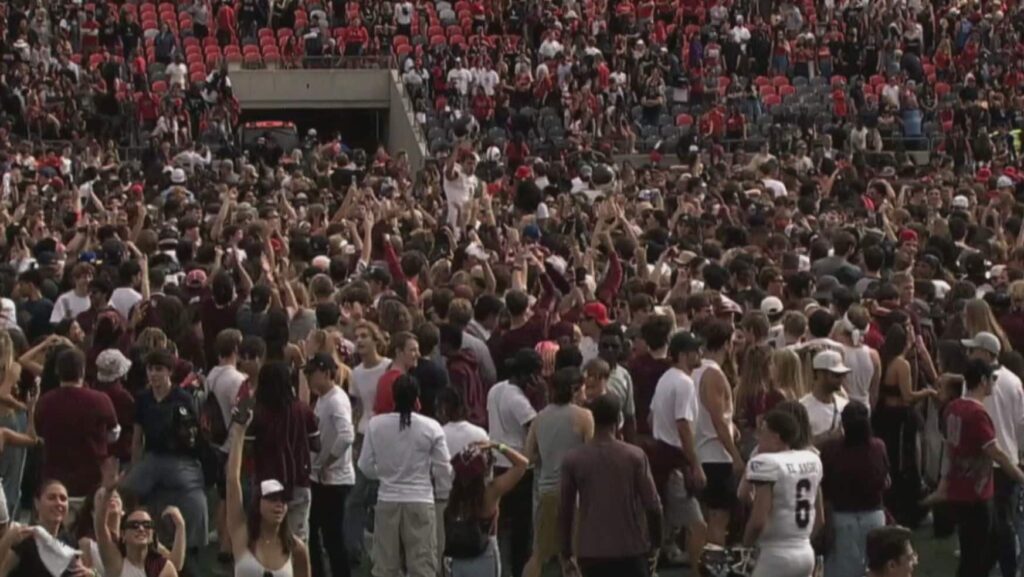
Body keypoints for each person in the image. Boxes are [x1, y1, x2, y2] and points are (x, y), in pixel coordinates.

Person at [930, 359, 1024, 577]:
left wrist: (945, 482)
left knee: (978, 551)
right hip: (978, 493)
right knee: (978, 555)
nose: (994, 383)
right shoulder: (978, 414)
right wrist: (1020, 475)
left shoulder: (953, 407)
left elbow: (951, 448)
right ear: (983, 381)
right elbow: (997, 453)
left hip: (961, 489)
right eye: (993, 379)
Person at [559, 394, 662, 577]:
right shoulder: (635, 456)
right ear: (618, 419)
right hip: (631, 549)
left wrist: (566, 552)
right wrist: (655, 543)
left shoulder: (574, 459)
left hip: (591, 550)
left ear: (592, 418)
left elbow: (565, 510)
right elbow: (653, 506)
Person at [358, 374, 451, 577]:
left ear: (393, 397)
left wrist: (383, 475)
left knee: (385, 567)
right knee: (422, 566)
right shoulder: (431, 427)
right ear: (417, 398)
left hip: (387, 500)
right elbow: (443, 467)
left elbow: (364, 465)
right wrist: (442, 494)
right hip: (420, 500)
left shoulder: (376, 425)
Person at [124, 349, 208, 558]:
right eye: (150, 369)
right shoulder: (143, 399)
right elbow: (137, 438)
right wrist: (135, 467)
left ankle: (192, 543)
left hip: (180, 458)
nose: (153, 374)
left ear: (169, 372)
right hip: (152, 456)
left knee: (193, 497)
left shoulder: (182, 398)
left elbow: (193, 438)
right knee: (126, 489)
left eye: (158, 369)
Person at [225, 388, 312, 577]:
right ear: (258, 502)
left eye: (283, 500)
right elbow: (232, 480)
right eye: (272, 499)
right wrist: (239, 431)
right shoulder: (242, 535)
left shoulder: (296, 548)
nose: (279, 505)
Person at [962, 330, 1024, 577]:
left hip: (983, 463)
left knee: (989, 525)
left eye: (973, 349)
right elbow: (1021, 423)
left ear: (987, 353)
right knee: (1002, 522)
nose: (969, 353)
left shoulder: (974, 382)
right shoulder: (1014, 381)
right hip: (1006, 459)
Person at [522, 367, 593, 577]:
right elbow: (591, 455)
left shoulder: (540, 418)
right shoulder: (584, 416)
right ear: (574, 390)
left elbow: (529, 457)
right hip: (576, 494)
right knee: (574, 555)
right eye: (583, 388)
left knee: (538, 554)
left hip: (547, 492)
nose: (585, 394)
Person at [742, 408, 824, 577]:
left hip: (774, 555)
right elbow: (820, 520)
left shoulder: (766, 463)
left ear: (776, 438)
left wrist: (746, 545)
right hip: (805, 551)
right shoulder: (811, 459)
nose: (758, 437)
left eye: (763, 432)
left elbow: (758, 520)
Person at [649, 330, 707, 567]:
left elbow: (651, 417)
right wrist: (695, 465)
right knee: (698, 525)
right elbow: (683, 425)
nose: (700, 354)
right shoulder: (684, 383)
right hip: (674, 461)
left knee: (664, 525)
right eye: (695, 350)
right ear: (683, 355)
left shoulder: (666, 378)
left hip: (661, 454)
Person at [34, 348, 119, 504]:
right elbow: (114, 433)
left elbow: (39, 434)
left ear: (57, 371)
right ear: (83, 371)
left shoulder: (45, 402)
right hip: (91, 481)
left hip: (55, 483)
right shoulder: (100, 400)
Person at [248, 361, 319, 541]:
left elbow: (247, 449)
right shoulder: (303, 410)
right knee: (298, 540)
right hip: (299, 481)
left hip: (267, 484)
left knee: (267, 539)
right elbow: (316, 444)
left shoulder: (257, 413)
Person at [485, 348, 540, 576]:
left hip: (496, 464)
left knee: (498, 523)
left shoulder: (496, 389)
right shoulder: (519, 401)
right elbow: (535, 430)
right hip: (518, 466)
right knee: (521, 528)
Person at [821, 401, 890, 577]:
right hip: (874, 517)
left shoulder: (830, 449)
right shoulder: (878, 447)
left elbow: (824, 485)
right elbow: (886, 480)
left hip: (841, 518)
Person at [443, 439, 528, 577]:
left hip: (458, 556)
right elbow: (522, 464)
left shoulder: (454, 495)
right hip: (485, 554)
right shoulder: (491, 491)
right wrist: (497, 445)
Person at [693, 320, 744, 547]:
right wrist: (735, 455)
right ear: (726, 344)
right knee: (718, 521)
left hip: (698, 453)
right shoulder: (714, 375)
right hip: (716, 456)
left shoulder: (694, 371)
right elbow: (718, 419)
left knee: (701, 521)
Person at [304, 353, 355, 577]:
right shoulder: (324, 398)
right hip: (322, 478)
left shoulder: (335, 400)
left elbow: (346, 435)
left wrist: (326, 462)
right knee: (314, 531)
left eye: (312, 373)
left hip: (333, 480)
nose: (308, 378)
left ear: (326, 373)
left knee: (331, 536)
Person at [433, 386, 489, 569]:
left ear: (443, 408)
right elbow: (487, 468)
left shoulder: (438, 433)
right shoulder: (480, 433)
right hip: (476, 498)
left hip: (445, 498)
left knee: (444, 549)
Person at [94, 458, 179, 577]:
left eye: (147, 525)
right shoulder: (116, 563)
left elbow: (178, 564)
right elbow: (100, 526)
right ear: (123, 535)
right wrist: (109, 491)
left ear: (152, 535)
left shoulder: (165, 568)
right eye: (134, 525)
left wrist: (180, 526)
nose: (141, 528)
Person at [0, 480, 94, 577]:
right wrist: (7, 539)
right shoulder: (24, 538)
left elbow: (80, 571)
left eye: (63, 499)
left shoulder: (69, 540)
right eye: (51, 498)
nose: (58, 503)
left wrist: (90, 573)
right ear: (37, 503)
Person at [800, 350, 851, 446]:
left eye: (843, 375)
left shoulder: (845, 406)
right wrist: (827, 438)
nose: (841, 379)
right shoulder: (802, 408)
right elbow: (799, 446)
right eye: (836, 375)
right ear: (820, 374)